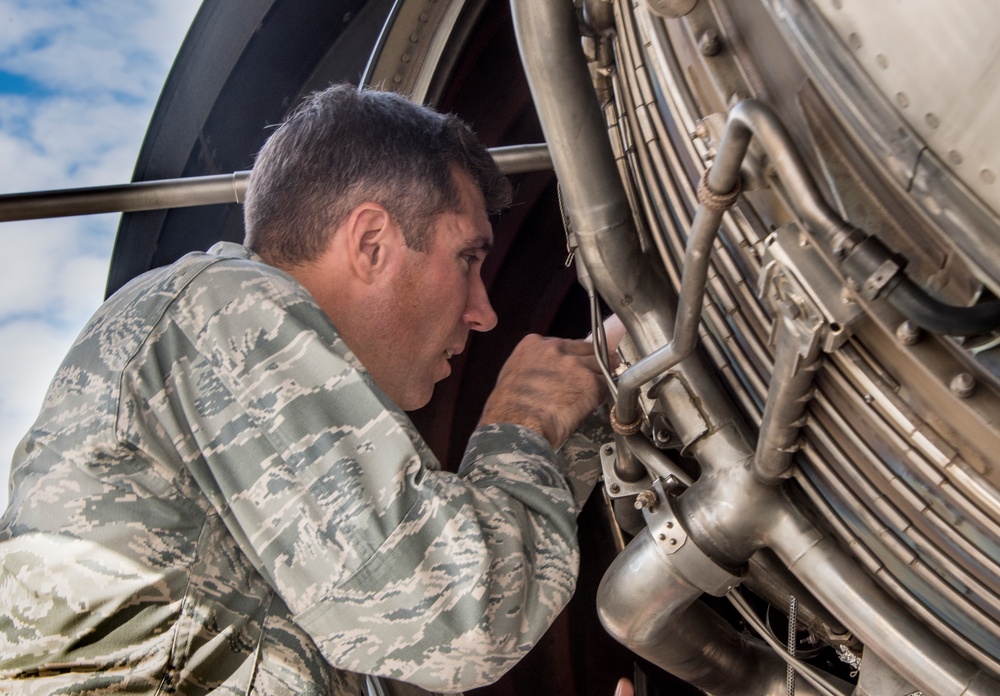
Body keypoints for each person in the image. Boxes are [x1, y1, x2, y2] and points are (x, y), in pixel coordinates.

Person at [0, 84, 619, 694]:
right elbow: (457, 618)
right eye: (467, 259)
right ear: (372, 242)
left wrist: (597, 396)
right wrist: (526, 418)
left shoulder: (310, 534)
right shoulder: (224, 308)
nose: (482, 312)